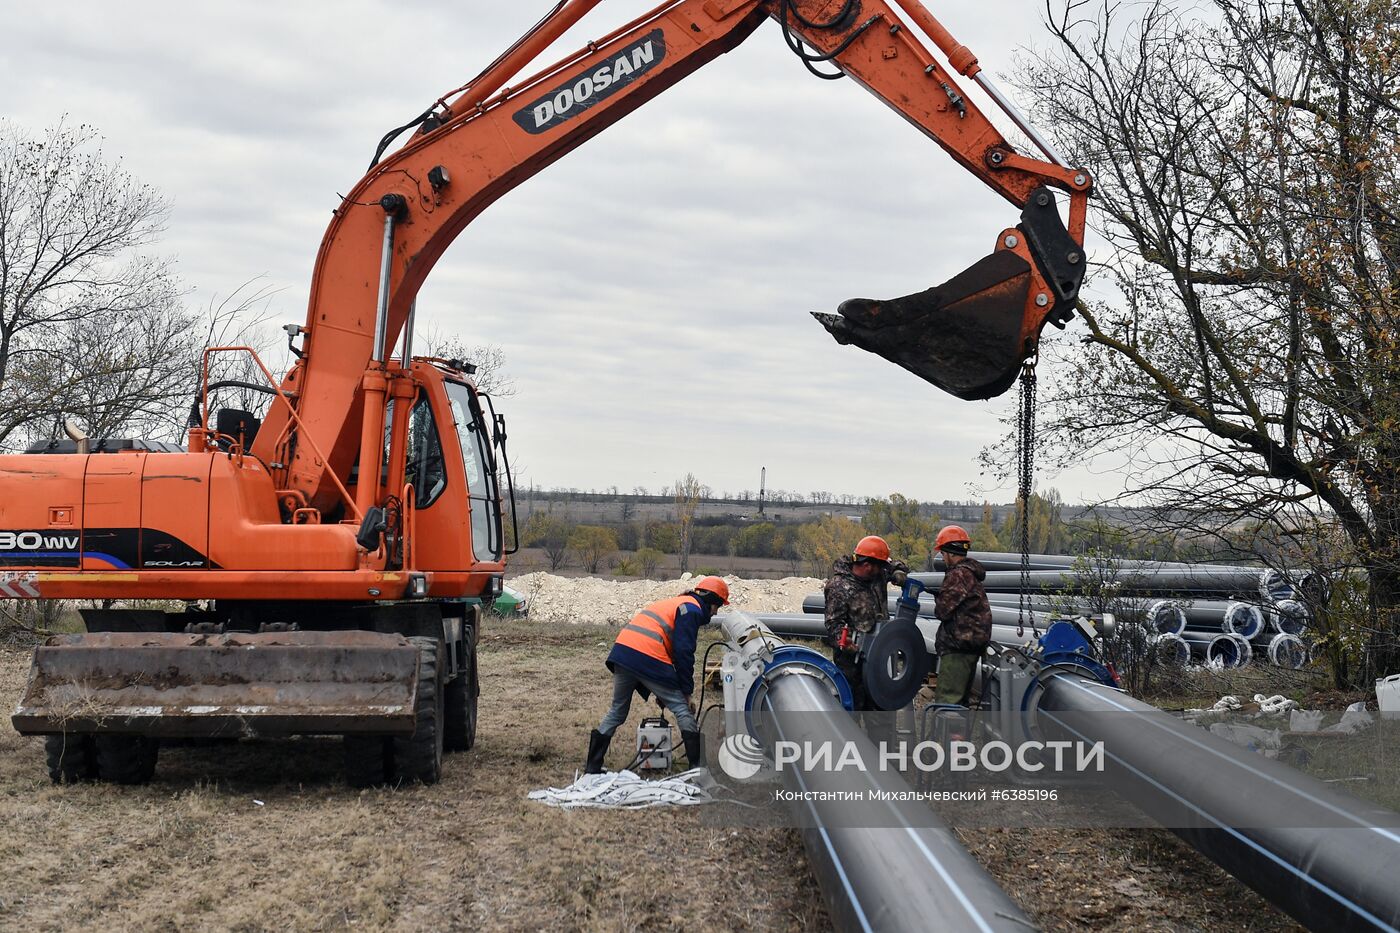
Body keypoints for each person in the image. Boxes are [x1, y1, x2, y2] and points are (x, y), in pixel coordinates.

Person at [583, 575, 730, 774]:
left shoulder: (677, 603)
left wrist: (663, 690)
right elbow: (684, 653)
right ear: (712, 601)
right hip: (645, 655)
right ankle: (697, 768)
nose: (715, 613)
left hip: (622, 653)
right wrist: (687, 692)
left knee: (617, 711)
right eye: (718, 606)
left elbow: (667, 651)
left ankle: (592, 767)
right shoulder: (692, 610)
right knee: (682, 709)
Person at [824, 535, 907, 711]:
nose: (883, 571)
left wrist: (898, 572)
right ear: (868, 565)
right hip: (852, 664)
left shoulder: (878, 574)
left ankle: (879, 738)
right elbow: (833, 624)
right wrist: (845, 643)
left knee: (879, 711)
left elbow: (895, 564)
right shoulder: (839, 586)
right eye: (880, 567)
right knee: (853, 709)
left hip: (880, 657)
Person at [931, 525, 992, 706]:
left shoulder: (958, 575)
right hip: (970, 647)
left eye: (943, 553)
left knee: (948, 703)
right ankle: (957, 735)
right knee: (960, 703)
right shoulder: (970, 574)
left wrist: (941, 598)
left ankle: (947, 735)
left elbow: (942, 611)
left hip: (958, 648)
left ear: (950, 552)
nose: (942, 557)